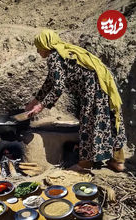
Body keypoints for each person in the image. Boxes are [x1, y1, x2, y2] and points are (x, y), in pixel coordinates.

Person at [25, 29, 126, 172]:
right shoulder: (64, 51)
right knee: (109, 120)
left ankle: (84, 164)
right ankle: (117, 161)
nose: (37, 51)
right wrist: (35, 101)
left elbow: (58, 87)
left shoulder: (55, 57)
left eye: (38, 47)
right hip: (104, 84)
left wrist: (40, 106)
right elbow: (50, 81)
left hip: (94, 89)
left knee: (88, 123)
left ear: (45, 45)